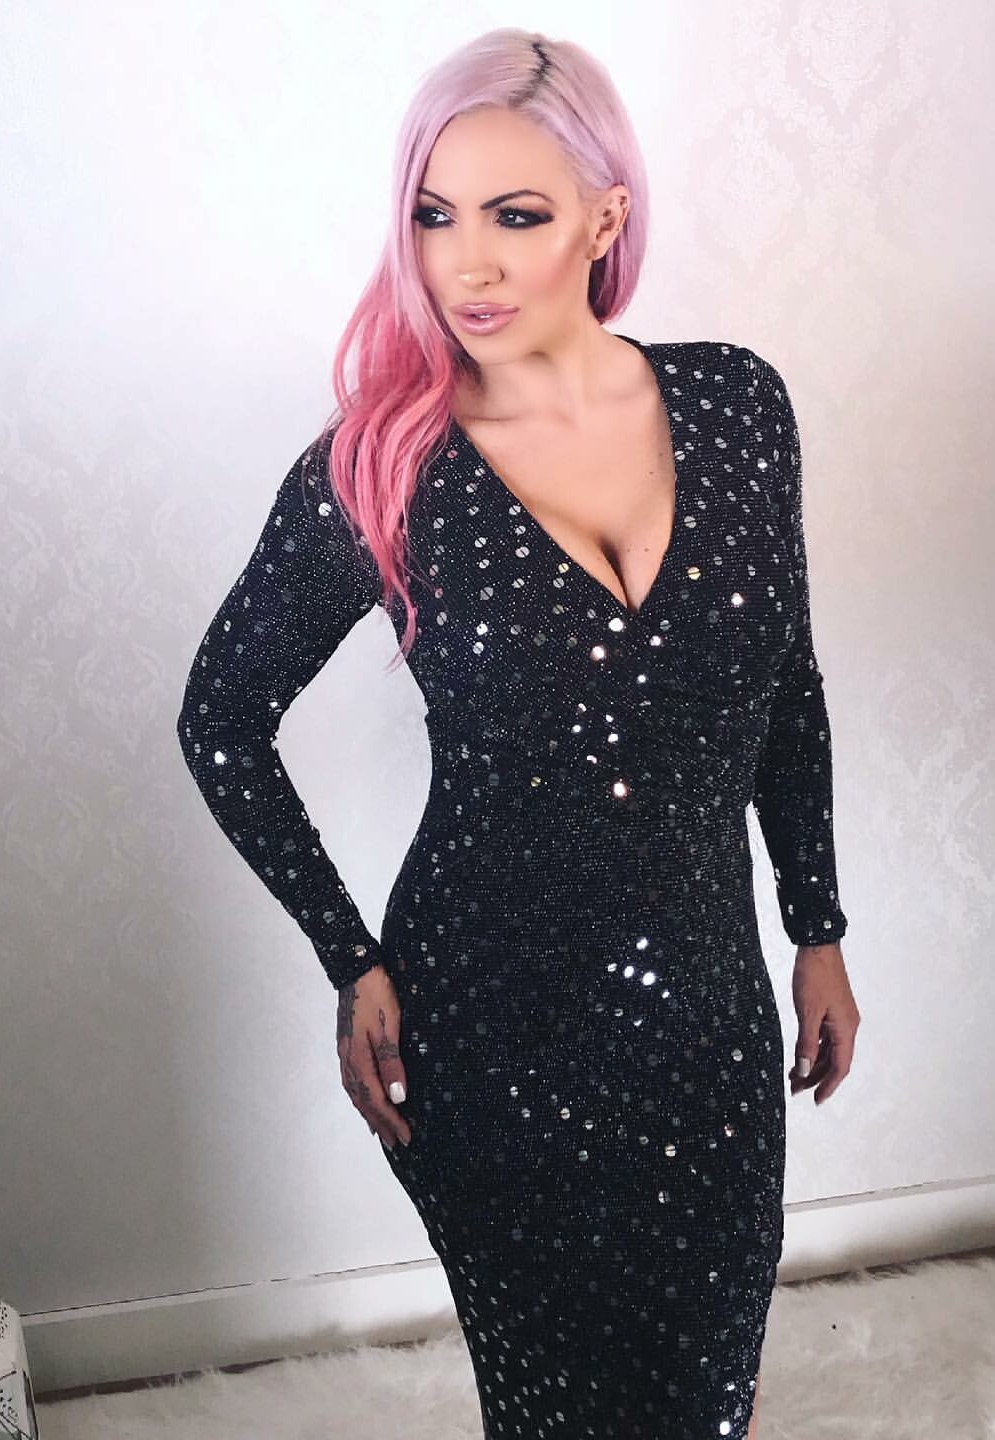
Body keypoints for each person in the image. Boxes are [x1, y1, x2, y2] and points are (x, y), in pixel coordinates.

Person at [176, 27, 860, 1440]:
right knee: (553, 1409)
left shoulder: (738, 403)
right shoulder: (382, 464)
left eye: (516, 216)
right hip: (486, 1026)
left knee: (707, 1394)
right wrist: (349, 957)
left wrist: (819, 927)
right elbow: (223, 718)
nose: (464, 266)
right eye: (434, 217)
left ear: (606, 220)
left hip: (708, 1021)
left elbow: (785, 685)